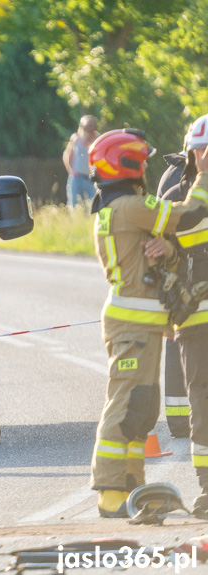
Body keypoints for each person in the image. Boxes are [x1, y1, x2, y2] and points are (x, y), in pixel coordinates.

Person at [88, 129, 208, 518]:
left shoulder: (120, 207)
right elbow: (187, 215)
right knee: (125, 407)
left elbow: (157, 258)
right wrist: (204, 175)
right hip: (132, 327)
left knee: (142, 407)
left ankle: (132, 488)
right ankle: (110, 494)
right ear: (129, 165)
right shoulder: (128, 206)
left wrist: (168, 249)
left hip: (144, 328)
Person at [159, 114, 208, 517]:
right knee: (204, 402)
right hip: (196, 322)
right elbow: (181, 229)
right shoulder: (178, 196)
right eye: (201, 152)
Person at [63, 115, 100, 206]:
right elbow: (67, 155)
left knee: (92, 203)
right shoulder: (75, 138)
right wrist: (71, 170)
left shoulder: (97, 140)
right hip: (77, 176)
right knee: (74, 204)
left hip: (91, 178)